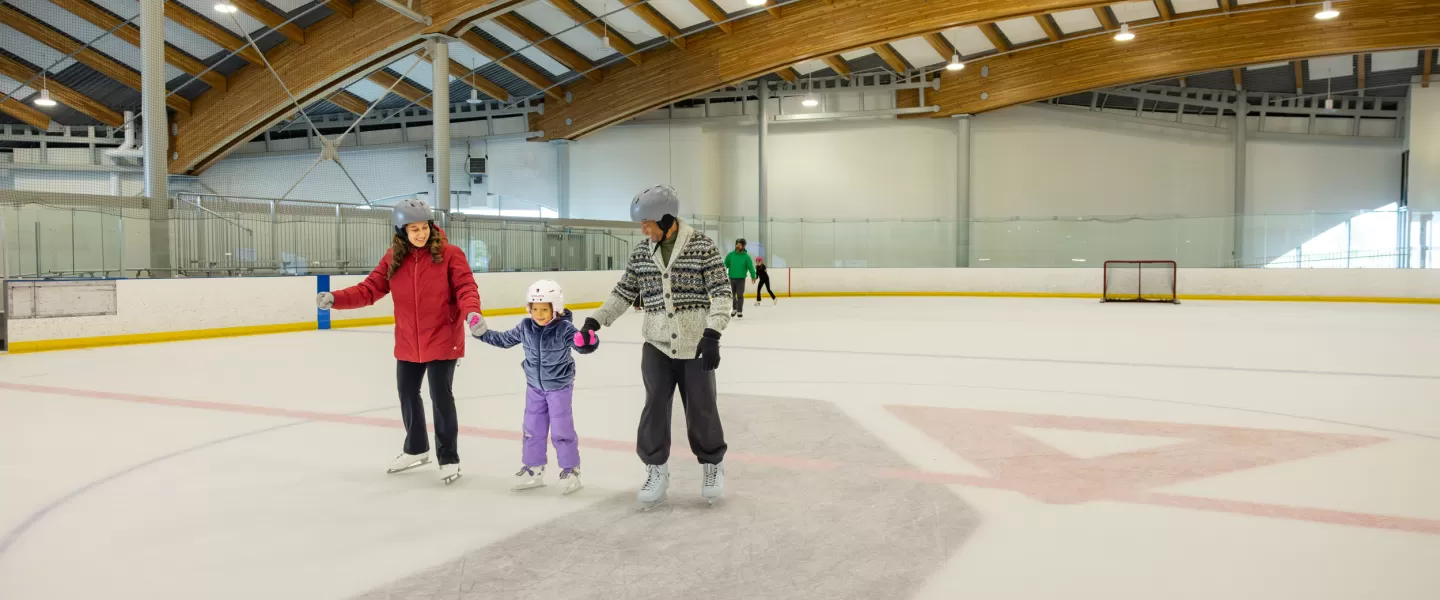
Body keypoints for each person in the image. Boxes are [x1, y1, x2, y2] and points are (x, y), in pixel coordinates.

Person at [576, 185, 731, 509]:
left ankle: (712, 465)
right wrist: (596, 320)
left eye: (647, 222)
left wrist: (712, 333)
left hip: (695, 346)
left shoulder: (702, 246)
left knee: (702, 408)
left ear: (667, 218)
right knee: (655, 406)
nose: (643, 229)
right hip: (657, 343)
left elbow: (721, 292)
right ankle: (655, 469)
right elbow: (623, 292)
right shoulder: (642, 253)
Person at [316, 198, 484, 485]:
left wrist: (473, 314)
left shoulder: (450, 255)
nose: (420, 234)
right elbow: (369, 289)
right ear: (401, 231)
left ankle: (448, 457)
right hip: (408, 340)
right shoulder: (393, 257)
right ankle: (416, 448)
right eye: (413, 229)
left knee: (440, 397)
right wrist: (336, 299)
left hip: (442, 337)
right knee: (407, 392)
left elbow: (466, 287)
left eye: (424, 228)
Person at [473, 279, 598, 495]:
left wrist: (587, 342)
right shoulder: (525, 326)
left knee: (561, 430)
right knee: (532, 429)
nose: (539, 314)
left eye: (544, 309)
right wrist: (482, 333)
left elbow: (583, 346)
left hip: (559, 388)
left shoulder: (564, 329)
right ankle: (533, 468)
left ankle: (571, 471)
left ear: (555, 308)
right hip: (534, 388)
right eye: (535, 308)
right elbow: (504, 339)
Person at [724, 238, 756, 318]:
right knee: (732, 295)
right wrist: (722, 273)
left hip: (741, 279)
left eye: (740, 245)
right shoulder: (730, 255)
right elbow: (725, 265)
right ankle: (734, 309)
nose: (738, 246)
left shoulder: (746, 257)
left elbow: (751, 267)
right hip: (731, 278)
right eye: (737, 244)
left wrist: (753, 276)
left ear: (743, 246)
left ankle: (739, 311)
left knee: (740, 295)